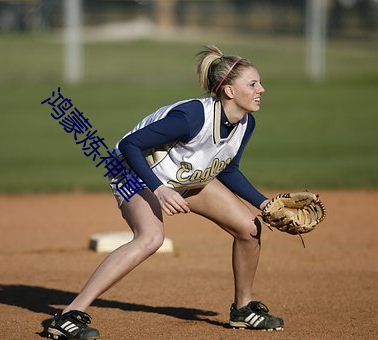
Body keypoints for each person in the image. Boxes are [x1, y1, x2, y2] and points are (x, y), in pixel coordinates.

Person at [47, 45, 284, 340]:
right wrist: (158, 190)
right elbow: (130, 145)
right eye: (252, 84)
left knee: (249, 228)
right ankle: (68, 315)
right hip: (131, 172)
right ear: (230, 92)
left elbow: (228, 169)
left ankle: (244, 309)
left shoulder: (245, 123)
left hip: (181, 177)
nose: (262, 88)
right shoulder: (191, 117)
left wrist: (265, 204)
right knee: (151, 238)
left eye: (259, 82)